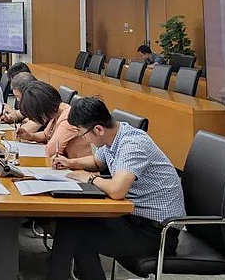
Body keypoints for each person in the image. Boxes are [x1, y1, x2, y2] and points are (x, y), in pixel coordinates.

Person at [49, 97, 185, 280]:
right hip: (132, 218)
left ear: (98, 129)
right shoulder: (114, 136)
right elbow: (97, 162)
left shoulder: (133, 145)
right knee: (72, 222)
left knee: (77, 235)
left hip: (157, 233)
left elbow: (117, 190)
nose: (83, 138)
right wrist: (70, 163)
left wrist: (89, 178)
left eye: (82, 134)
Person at [15, 81, 89, 158]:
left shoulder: (68, 119)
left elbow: (51, 151)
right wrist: (30, 136)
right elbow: (45, 135)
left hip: (76, 164)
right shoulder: (55, 112)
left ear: (42, 109)